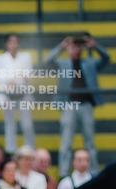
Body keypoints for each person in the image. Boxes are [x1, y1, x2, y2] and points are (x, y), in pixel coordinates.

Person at [45, 34, 110, 176]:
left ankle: (93, 173)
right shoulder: (63, 63)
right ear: (69, 48)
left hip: (86, 105)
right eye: (73, 46)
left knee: (90, 142)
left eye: (78, 46)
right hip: (69, 105)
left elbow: (106, 58)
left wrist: (95, 46)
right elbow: (47, 61)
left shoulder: (90, 63)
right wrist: (61, 46)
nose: (76, 49)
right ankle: (64, 174)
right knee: (66, 142)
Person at [0, 34, 35, 153]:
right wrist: (16, 77)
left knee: (27, 126)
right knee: (10, 126)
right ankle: (11, 152)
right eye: (11, 41)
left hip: (23, 95)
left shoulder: (26, 57)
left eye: (16, 41)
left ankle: (30, 152)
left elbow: (28, 74)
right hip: (6, 95)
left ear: (19, 44)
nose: (14, 44)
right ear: (7, 44)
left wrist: (12, 79)